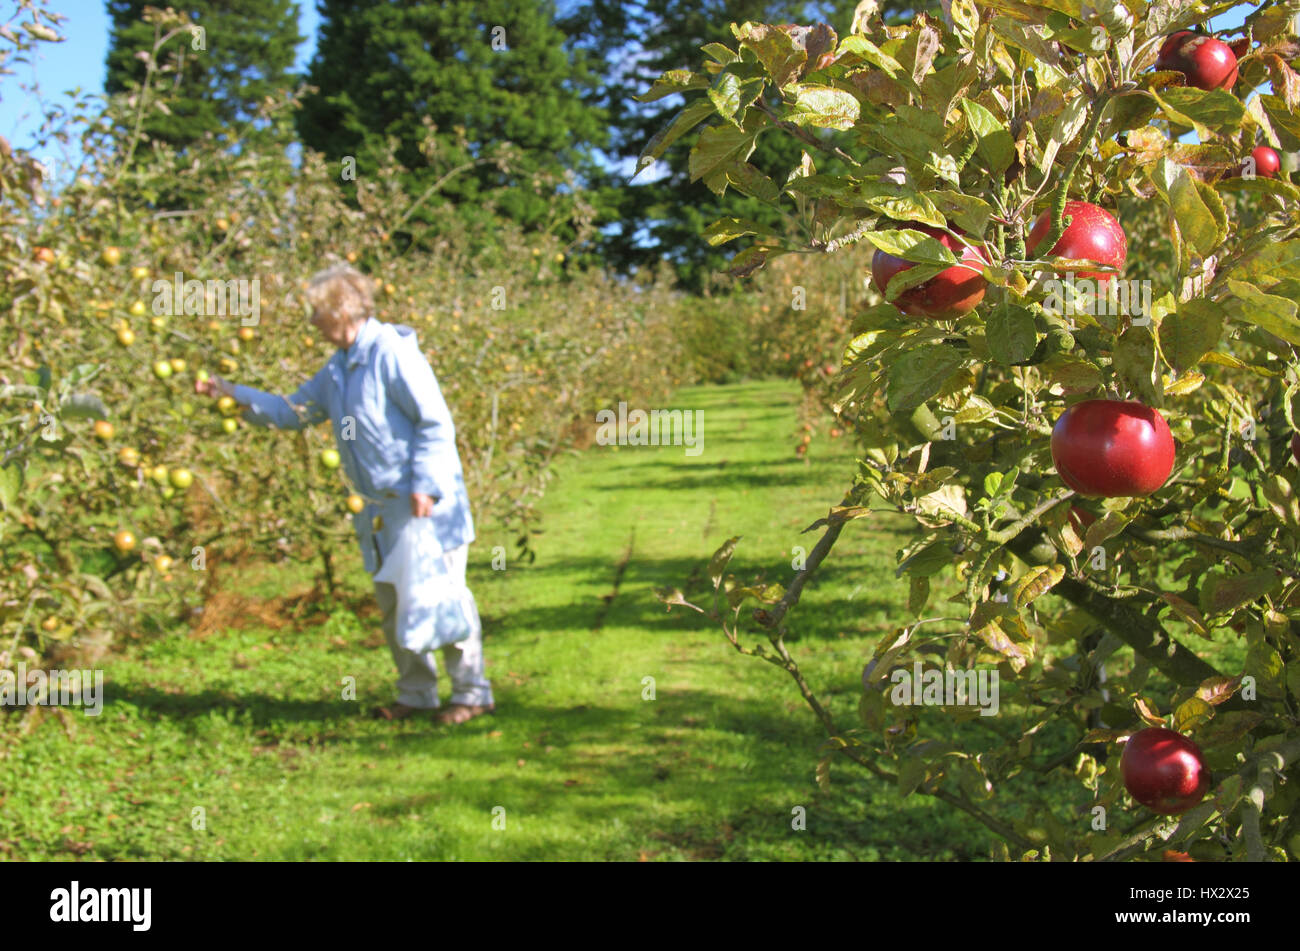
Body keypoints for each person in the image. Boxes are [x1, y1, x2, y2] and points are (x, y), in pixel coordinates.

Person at [194, 263, 494, 725]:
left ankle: (473, 694)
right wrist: (231, 392)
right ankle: (417, 696)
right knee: (395, 603)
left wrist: (426, 486)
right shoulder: (338, 370)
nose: (310, 321)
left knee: (443, 598)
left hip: (425, 504)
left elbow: (435, 422)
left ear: (340, 309)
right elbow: (293, 410)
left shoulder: (392, 354)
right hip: (380, 511)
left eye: (315, 311)